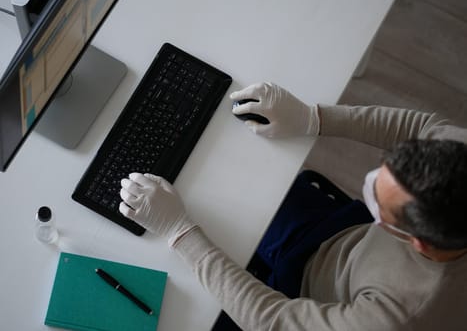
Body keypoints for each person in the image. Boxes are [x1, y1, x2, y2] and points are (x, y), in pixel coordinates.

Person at [119, 82, 467, 330]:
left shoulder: (400, 315)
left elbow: (274, 320)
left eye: (381, 202)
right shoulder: (457, 156)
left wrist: (181, 233)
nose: (370, 186)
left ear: (417, 242)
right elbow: (424, 127)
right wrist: (313, 118)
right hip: (335, 238)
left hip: (306, 301)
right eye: (381, 172)